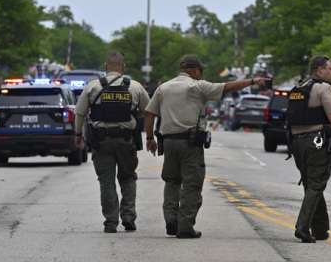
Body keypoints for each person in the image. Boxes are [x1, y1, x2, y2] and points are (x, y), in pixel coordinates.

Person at [144, 54, 266, 239]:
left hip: (168, 142)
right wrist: (252, 81)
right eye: (200, 71)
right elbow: (227, 87)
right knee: (192, 184)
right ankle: (184, 225)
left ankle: (171, 220)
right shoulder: (197, 86)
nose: (201, 74)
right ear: (193, 70)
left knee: (172, 181)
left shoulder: (163, 87)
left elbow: (149, 113)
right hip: (190, 143)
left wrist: (150, 138)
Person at [74, 52, 150, 233]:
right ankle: (128, 217)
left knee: (106, 182)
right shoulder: (135, 87)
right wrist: (149, 135)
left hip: (101, 141)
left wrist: (78, 135)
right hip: (126, 140)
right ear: (123, 68)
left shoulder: (93, 87)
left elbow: (80, 113)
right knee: (128, 178)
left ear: (105, 66)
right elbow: (149, 111)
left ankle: (110, 221)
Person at [287, 55, 331, 243]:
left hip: (296, 143)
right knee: (316, 185)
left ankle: (320, 229)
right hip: (316, 142)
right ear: (319, 70)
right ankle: (302, 228)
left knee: (312, 185)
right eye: (330, 69)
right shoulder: (324, 88)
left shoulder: (300, 87)